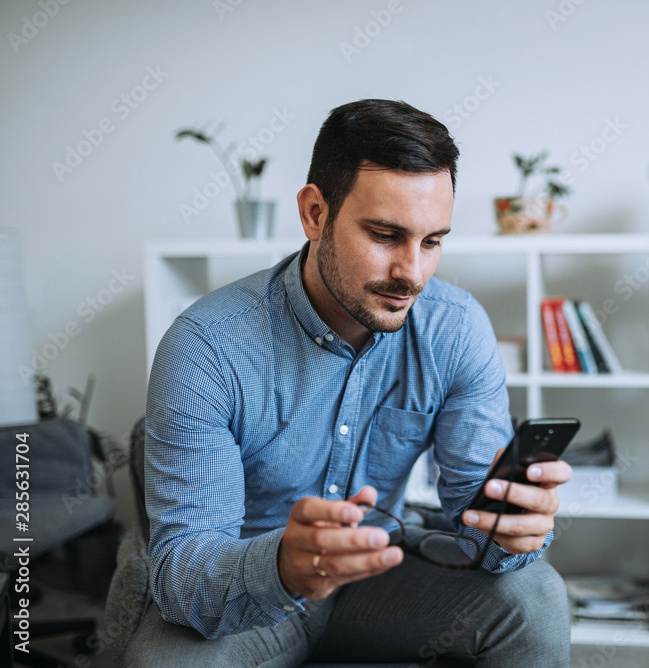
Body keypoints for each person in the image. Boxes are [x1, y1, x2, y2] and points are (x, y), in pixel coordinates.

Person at [125, 99, 573, 667]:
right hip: (251, 588)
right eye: (385, 234)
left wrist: (511, 530)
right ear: (315, 213)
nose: (412, 273)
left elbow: (475, 522)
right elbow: (182, 570)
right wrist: (285, 564)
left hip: (378, 576)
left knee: (536, 597)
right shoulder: (207, 346)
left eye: (432, 241)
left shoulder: (456, 330)